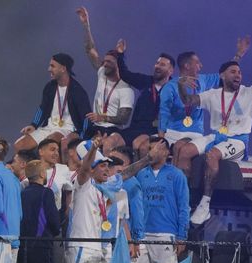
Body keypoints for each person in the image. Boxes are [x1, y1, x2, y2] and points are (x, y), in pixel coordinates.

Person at [177, 62, 252, 225]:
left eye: (239, 72)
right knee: (184, 152)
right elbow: (187, 100)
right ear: (222, 75)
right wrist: (180, 85)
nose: (238, 75)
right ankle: (185, 201)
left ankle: (204, 205)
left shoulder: (250, 93)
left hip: (238, 141)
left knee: (212, 155)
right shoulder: (212, 94)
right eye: (233, 72)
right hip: (216, 136)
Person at [163, 41, 251, 177]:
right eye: (197, 63)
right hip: (172, 132)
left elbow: (225, 74)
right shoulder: (170, 86)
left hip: (194, 134)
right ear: (187, 66)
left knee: (180, 147)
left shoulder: (203, 80)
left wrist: (238, 55)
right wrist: (161, 136)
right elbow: (164, 112)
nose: (201, 66)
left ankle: (182, 189)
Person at [66, 138, 150, 263]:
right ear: (91, 170)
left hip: (98, 247)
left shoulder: (105, 188)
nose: (107, 169)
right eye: (102, 166)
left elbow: (126, 173)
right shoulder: (83, 186)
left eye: (107, 166)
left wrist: (148, 158)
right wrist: (93, 148)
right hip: (82, 246)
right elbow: (85, 169)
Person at [76, 7, 135, 151]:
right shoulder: (102, 72)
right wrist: (86, 25)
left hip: (112, 129)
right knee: (73, 146)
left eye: (109, 62)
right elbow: (90, 49)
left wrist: (102, 117)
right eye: (105, 61)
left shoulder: (126, 89)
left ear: (118, 66)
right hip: (95, 126)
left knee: (100, 147)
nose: (105, 64)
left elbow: (124, 119)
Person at [14, 53, 93, 152]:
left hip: (67, 130)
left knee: (48, 144)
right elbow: (42, 108)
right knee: (19, 145)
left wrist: (82, 136)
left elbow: (87, 118)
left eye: (52, 66)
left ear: (63, 69)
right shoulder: (50, 87)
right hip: (48, 127)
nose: (49, 69)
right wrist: (33, 125)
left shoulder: (78, 91)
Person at [134, 137, 189, 263]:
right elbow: (135, 206)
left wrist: (182, 236)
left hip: (166, 235)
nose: (151, 152)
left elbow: (184, 207)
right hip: (142, 236)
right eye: (150, 148)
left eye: (156, 149)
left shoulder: (177, 175)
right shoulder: (141, 174)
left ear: (166, 152)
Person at [115, 40, 175, 157]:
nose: (157, 66)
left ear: (171, 70)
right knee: (111, 140)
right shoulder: (145, 81)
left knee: (138, 145)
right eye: (157, 63)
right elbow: (125, 74)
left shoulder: (174, 89)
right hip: (136, 127)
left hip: (156, 130)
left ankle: (140, 174)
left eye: (162, 65)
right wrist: (120, 54)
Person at [19, 160, 61, 263]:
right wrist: (56, 231)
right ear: (42, 174)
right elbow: (54, 221)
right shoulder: (46, 193)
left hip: (22, 247)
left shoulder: (21, 194)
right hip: (42, 247)